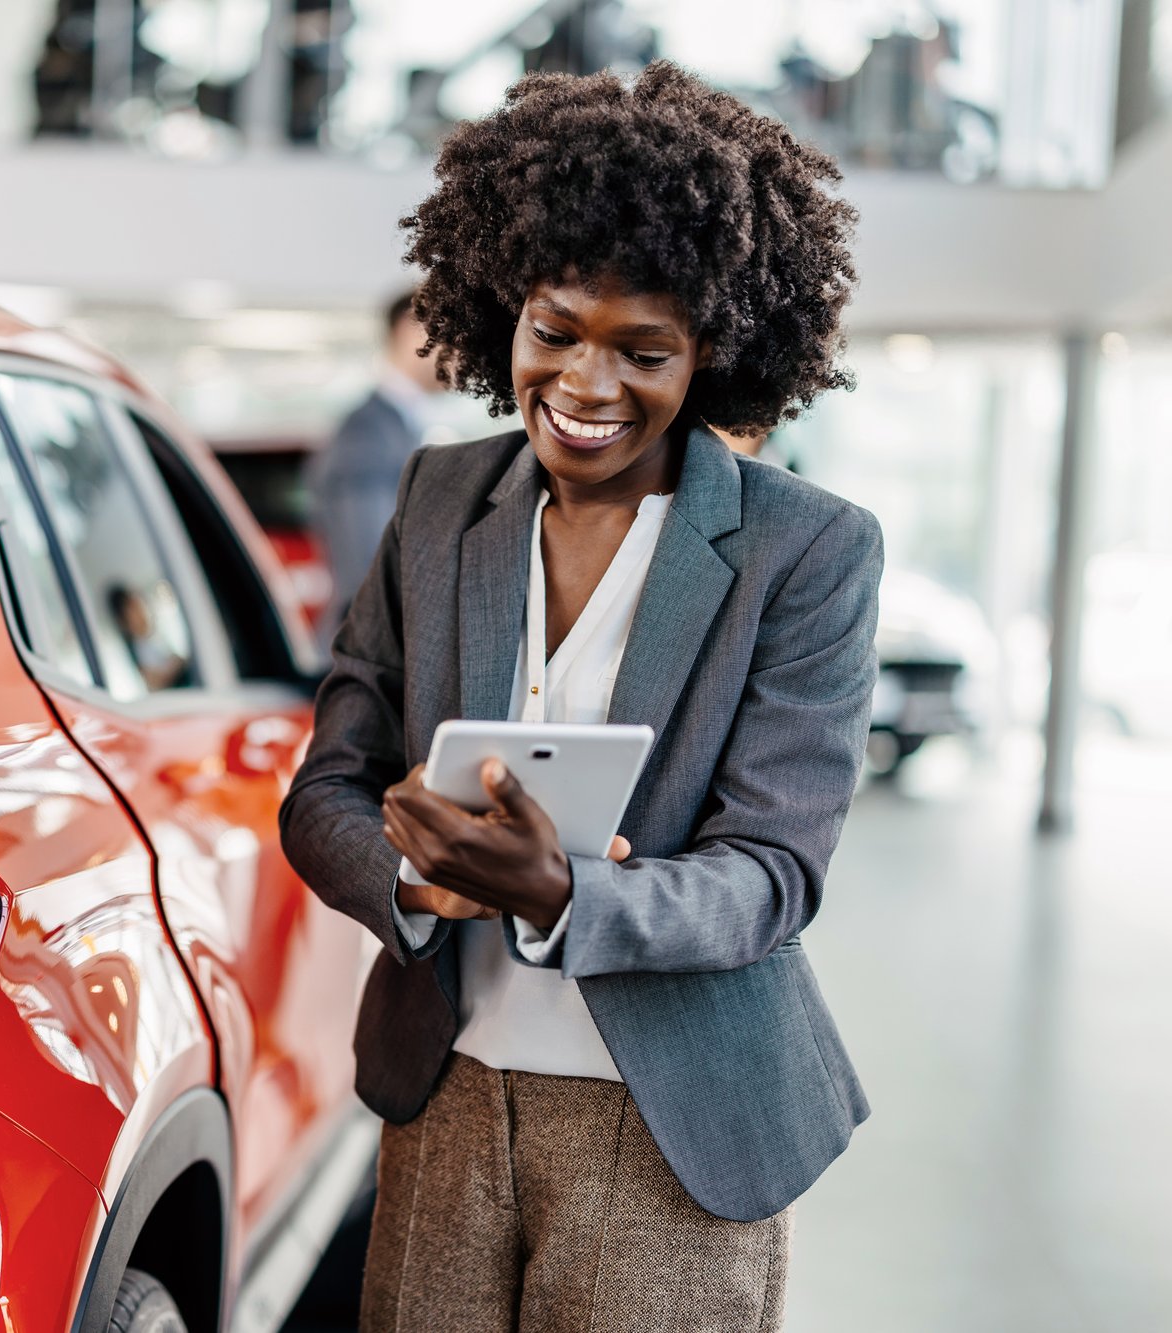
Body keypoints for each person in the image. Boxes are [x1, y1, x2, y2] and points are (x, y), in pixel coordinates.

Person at [279, 64, 877, 1333]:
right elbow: (325, 784)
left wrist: (563, 893)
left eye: (642, 349)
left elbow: (771, 872)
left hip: (671, 1115)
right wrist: (411, 879)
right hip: (446, 1079)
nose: (587, 383)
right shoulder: (442, 497)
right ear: (502, 307)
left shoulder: (805, 551)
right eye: (555, 330)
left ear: (713, 354)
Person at [306, 290, 450, 644]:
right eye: (454, 336)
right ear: (411, 331)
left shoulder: (399, 430)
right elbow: (370, 572)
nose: (465, 353)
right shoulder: (366, 436)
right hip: (370, 659)